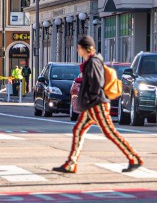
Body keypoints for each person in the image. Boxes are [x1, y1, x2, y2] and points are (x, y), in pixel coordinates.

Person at [53, 35, 143, 174]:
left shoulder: (92, 63)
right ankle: (71, 163)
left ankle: (134, 158)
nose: (78, 50)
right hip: (93, 104)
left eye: (79, 47)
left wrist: (89, 99)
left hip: (96, 104)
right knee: (78, 130)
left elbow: (96, 83)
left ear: (86, 48)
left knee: (110, 132)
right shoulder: (92, 62)